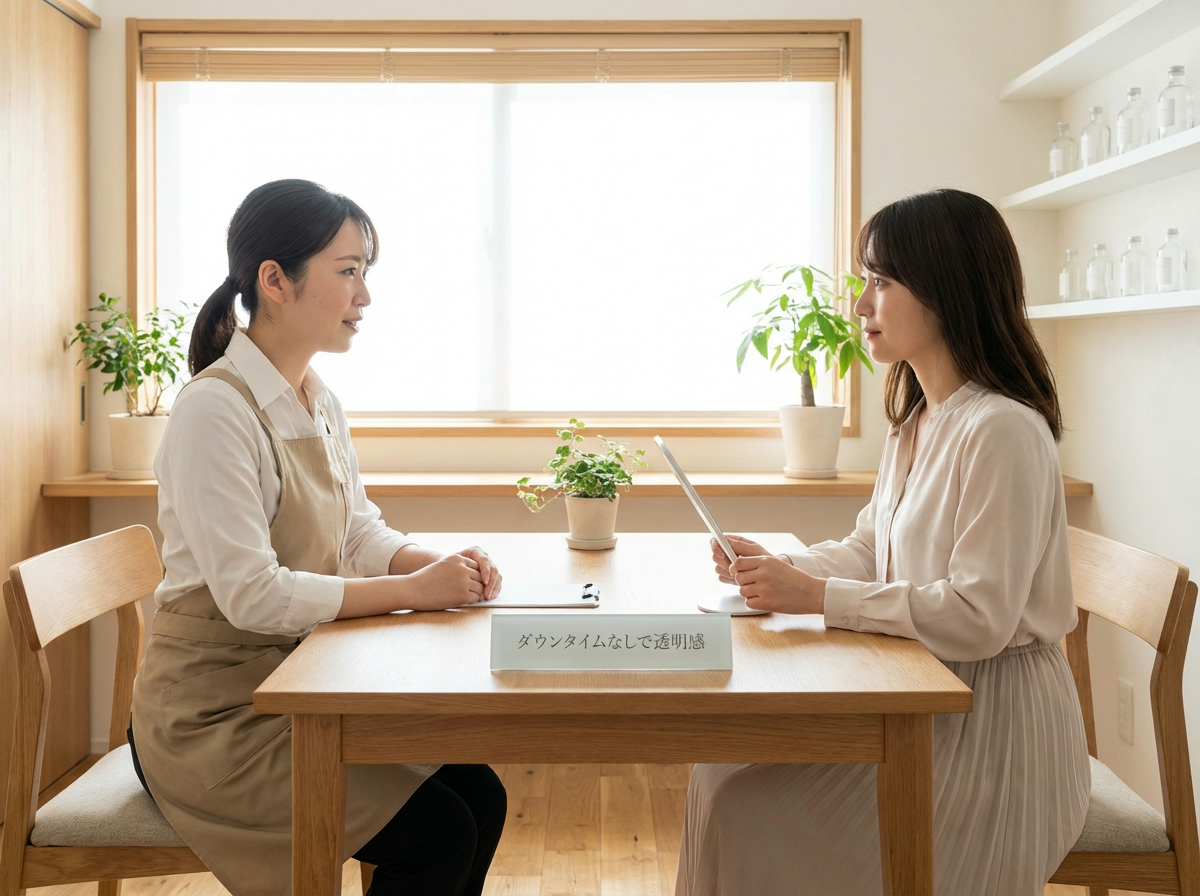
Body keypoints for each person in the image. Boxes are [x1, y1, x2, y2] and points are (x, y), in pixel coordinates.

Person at [676, 189, 1090, 896]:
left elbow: (981, 617)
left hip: (992, 732)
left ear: (946, 289)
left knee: (748, 811)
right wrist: (781, 570)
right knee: (716, 776)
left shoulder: (1003, 431)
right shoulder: (918, 421)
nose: (861, 306)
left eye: (881, 282)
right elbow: (872, 547)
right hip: (920, 698)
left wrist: (818, 597)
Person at [129, 179, 507, 896]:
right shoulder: (214, 412)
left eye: (366, 272)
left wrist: (437, 565)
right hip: (214, 720)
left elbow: (356, 526)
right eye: (348, 271)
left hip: (299, 689)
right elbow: (250, 596)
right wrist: (411, 591)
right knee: (440, 833)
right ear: (276, 280)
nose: (364, 297)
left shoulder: (316, 398)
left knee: (480, 795)